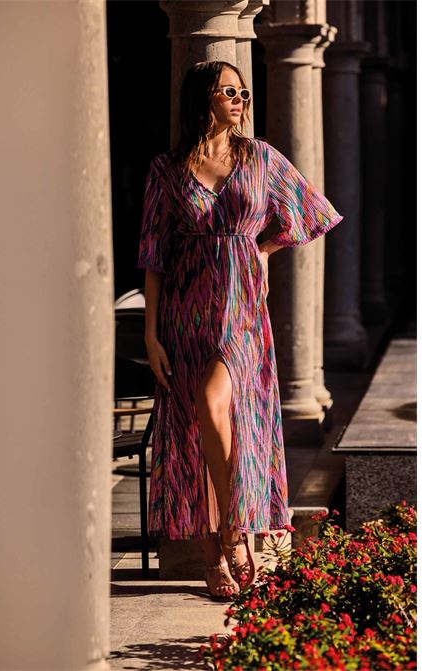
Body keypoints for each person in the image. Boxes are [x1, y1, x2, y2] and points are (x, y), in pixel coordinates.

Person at [137, 60, 343, 601]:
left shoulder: (260, 157)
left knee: (213, 405)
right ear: (203, 97)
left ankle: (233, 530)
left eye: (244, 93)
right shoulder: (167, 169)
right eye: (230, 91)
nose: (240, 100)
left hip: (243, 311)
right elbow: (153, 256)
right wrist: (151, 336)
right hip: (185, 313)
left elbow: (314, 213)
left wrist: (262, 249)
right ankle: (214, 554)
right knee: (196, 429)